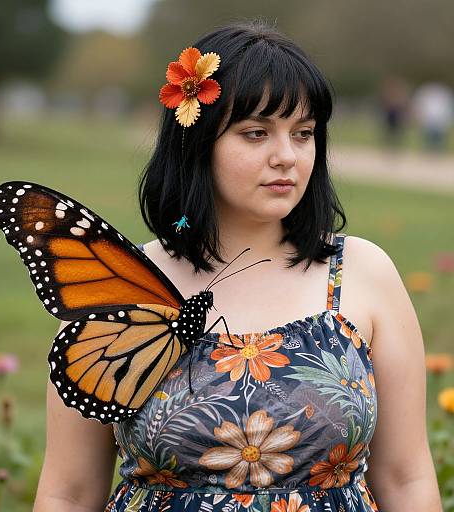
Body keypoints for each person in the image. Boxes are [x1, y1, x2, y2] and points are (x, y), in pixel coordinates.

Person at [33, 20, 442, 512]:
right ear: (196, 143)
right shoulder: (123, 287)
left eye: (304, 133)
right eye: (255, 133)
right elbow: (69, 493)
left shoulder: (362, 273)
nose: (287, 157)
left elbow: (406, 478)